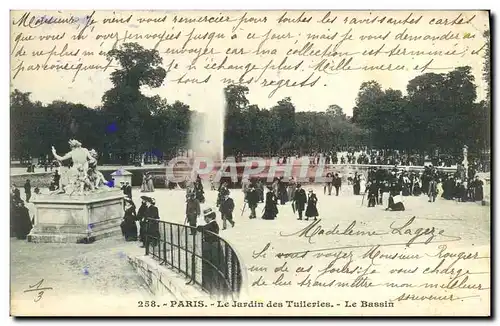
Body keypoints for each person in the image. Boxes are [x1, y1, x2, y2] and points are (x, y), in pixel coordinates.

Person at [196, 208, 222, 296]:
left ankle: (212, 287)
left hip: (213, 248)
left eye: (206, 217)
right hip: (212, 247)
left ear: (209, 217)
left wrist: (199, 227)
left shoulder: (213, 224)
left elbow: (202, 228)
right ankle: (211, 286)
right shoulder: (212, 224)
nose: (204, 219)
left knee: (212, 266)